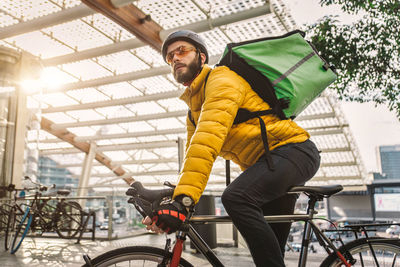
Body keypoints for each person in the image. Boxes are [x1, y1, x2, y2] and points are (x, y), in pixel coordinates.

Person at [142, 30, 321, 267]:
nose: (175, 58)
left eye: (182, 51)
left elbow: (207, 141)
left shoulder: (221, 79)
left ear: (202, 57)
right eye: (169, 57)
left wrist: (184, 201)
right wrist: (173, 195)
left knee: (236, 198)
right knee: (270, 256)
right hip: (269, 164)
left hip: (294, 150)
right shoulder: (193, 113)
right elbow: (193, 159)